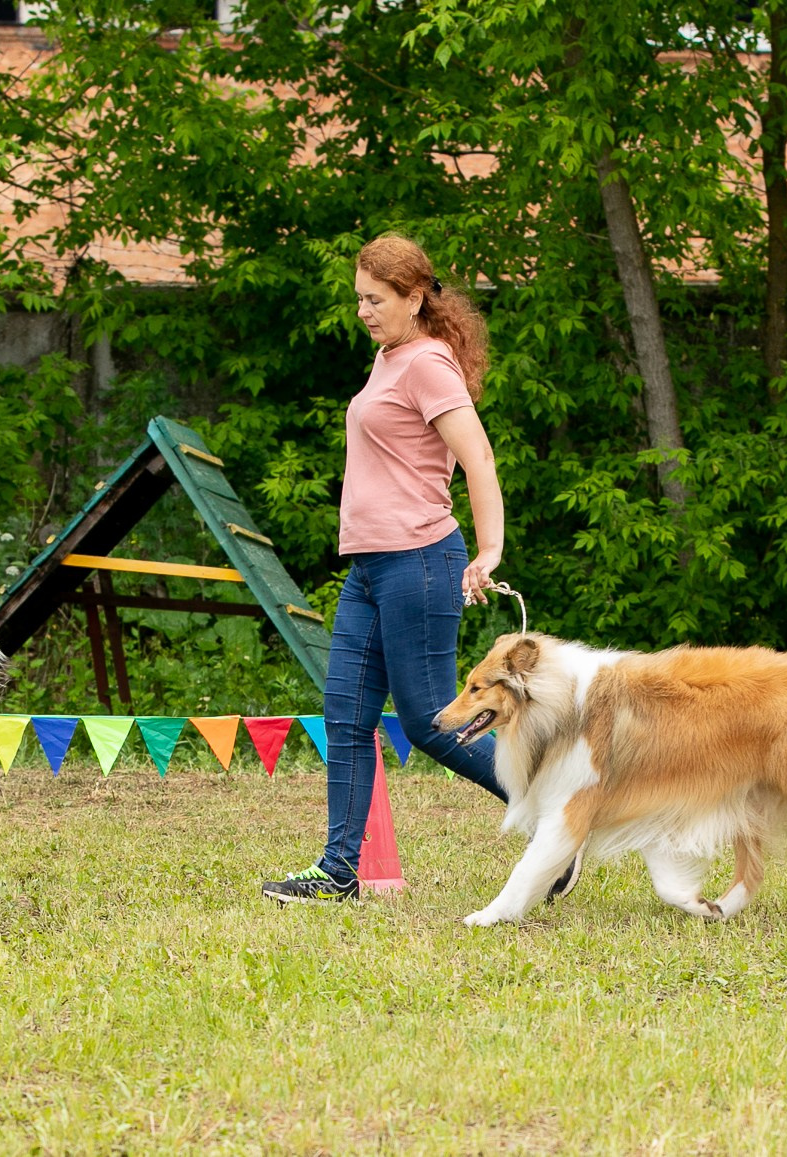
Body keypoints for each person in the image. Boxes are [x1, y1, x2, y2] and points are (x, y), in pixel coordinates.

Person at [260, 235, 543, 904]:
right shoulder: (389, 361)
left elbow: (478, 457)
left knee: (424, 719)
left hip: (418, 561)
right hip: (370, 568)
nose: (362, 310)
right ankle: (337, 870)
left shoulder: (426, 366)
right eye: (358, 297)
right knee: (347, 716)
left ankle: (552, 812)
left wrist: (490, 548)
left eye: (375, 298)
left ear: (414, 298)